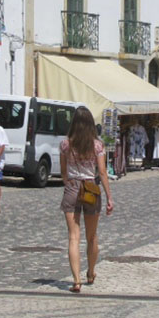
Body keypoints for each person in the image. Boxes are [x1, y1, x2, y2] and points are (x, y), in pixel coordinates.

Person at [60, 106, 114, 293]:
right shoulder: (97, 145)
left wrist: (70, 184)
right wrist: (109, 197)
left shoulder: (66, 144)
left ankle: (76, 280)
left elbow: (63, 172)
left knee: (73, 237)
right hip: (91, 188)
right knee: (92, 236)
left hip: (72, 187)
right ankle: (90, 272)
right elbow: (102, 172)